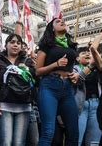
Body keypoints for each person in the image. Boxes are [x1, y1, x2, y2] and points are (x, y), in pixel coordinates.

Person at [35, 18, 79, 146]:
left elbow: (72, 66)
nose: (62, 22)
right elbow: (38, 71)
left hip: (67, 88)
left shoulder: (71, 45)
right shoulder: (46, 45)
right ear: (52, 28)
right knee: (48, 131)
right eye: (58, 21)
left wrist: (74, 74)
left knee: (73, 132)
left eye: (64, 21)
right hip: (49, 86)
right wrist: (56, 64)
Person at [0, 33, 36, 146]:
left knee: (19, 143)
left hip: (24, 106)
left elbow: (36, 80)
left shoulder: (27, 61)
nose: (15, 45)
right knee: (6, 142)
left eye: (18, 43)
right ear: (6, 45)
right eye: (12, 42)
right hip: (4, 106)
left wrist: (28, 70)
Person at [73, 50, 102, 146]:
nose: (87, 54)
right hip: (81, 107)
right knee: (77, 140)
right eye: (83, 53)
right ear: (77, 58)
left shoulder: (97, 69)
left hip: (96, 105)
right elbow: (77, 81)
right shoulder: (75, 69)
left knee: (94, 142)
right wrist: (89, 67)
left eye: (88, 53)